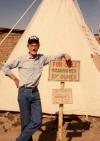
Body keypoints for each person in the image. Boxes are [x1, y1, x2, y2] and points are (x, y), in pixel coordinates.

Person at [1, 36, 71, 141]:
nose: (33, 48)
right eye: (31, 45)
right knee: (25, 123)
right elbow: (5, 67)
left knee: (37, 121)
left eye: (35, 45)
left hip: (35, 93)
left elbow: (53, 57)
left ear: (38, 46)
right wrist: (15, 79)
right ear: (28, 47)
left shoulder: (42, 58)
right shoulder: (21, 59)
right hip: (23, 92)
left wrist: (63, 54)